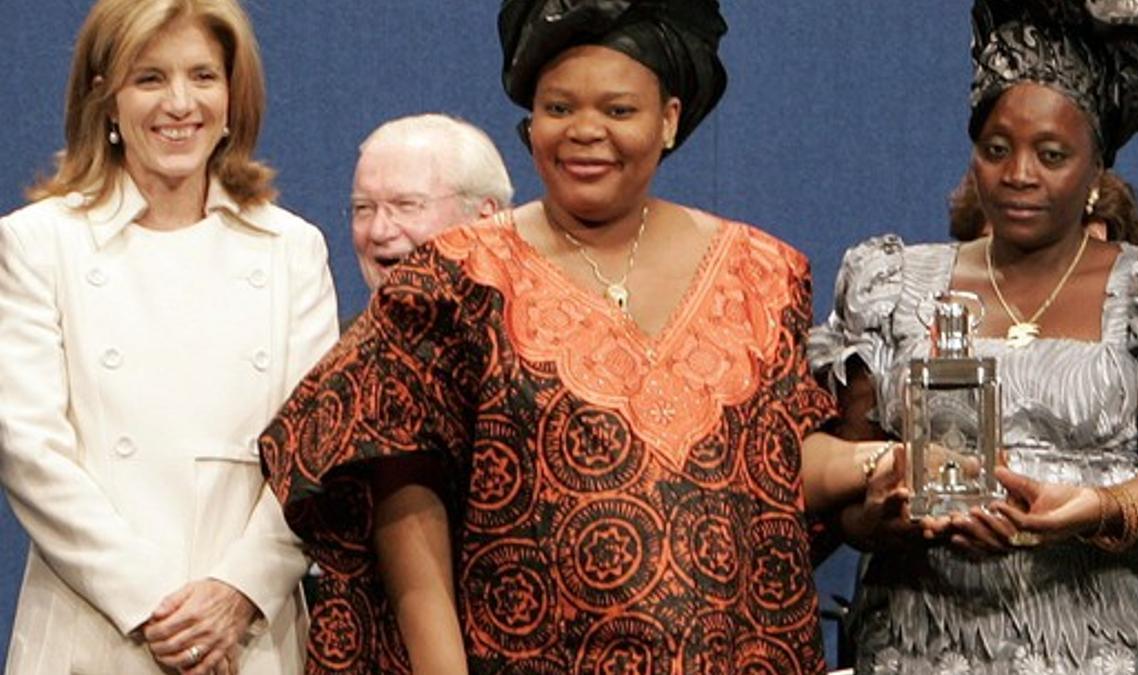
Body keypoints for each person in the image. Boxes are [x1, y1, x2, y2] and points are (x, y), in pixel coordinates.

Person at [259, 1, 897, 672]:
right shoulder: (453, 278)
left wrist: (890, 464)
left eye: (618, 111)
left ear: (670, 119)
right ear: (531, 124)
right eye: (559, 108)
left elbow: (767, 466)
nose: (584, 132)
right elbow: (400, 487)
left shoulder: (760, 273)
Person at [812, 2, 1138, 673]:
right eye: (997, 148)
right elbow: (848, 491)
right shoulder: (893, 282)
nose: (1019, 173)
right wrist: (888, 514)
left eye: (1052, 154)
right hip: (919, 640)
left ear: (1096, 168)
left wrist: (1095, 510)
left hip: (1099, 644)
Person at [0, 0, 338, 673]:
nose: (180, 103)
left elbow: (317, 451)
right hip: (93, 631)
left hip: (247, 638)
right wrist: (156, 604)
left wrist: (237, 591)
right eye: (149, 78)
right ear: (106, 98)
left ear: (233, 95)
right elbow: (30, 447)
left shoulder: (291, 249)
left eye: (203, 77)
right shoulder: (40, 244)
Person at [349, 114, 514, 292]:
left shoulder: (540, 317)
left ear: (484, 221)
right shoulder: (325, 320)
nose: (378, 232)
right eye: (363, 208)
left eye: (406, 205)